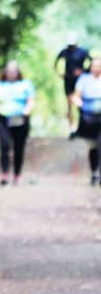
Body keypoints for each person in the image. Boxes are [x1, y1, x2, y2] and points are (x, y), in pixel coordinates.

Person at [0, 60, 35, 186]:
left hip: (20, 119)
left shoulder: (26, 84)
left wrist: (27, 111)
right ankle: (4, 174)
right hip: (3, 119)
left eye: (14, 71)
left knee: (18, 147)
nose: (11, 73)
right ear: (5, 72)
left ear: (18, 72)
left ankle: (17, 174)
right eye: (9, 71)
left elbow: (31, 100)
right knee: (4, 146)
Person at [71, 57, 101, 186]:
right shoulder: (84, 79)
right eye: (95, 66)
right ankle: (94, 171)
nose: (96, 68)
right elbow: (76, 96)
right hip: (88, 117)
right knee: (93, 146)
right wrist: (80, 104)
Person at [56, 37, 91, 133]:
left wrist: (83, 71)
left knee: (80, 105)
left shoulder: (82, 52)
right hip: (68, 81)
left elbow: (91, 63)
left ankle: (82, 127)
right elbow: (57, 63)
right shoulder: (65, 52)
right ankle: (72, 128)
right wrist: (60, 73)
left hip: (80, 81)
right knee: (69, 105)